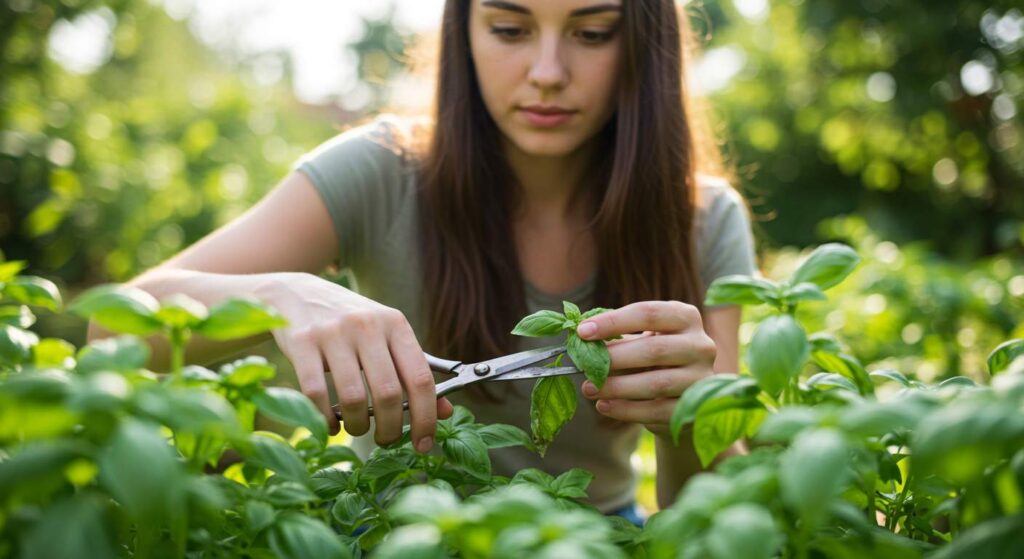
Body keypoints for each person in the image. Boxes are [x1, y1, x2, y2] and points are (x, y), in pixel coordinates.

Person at [88, 0, 758, 523]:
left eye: (591, 33)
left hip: (590, 540)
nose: (548, 72)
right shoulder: (381, 170)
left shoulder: (705, 219)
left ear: (641, 43)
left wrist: (690, 421)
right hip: (394, 530)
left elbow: (714, 514)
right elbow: (111, 332)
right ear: (462, 32)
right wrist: (282, 295)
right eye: (509, 27)